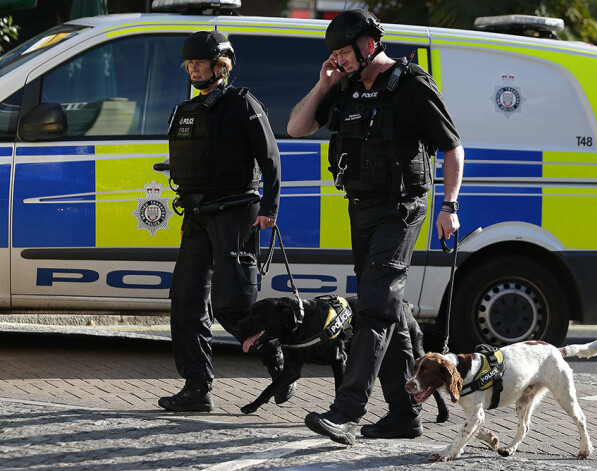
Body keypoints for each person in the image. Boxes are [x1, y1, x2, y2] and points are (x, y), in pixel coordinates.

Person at [287, 10, 464, 444]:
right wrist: (324, 82)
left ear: (369, 45)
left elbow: (453, 148)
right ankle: (404, 415)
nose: (341, 60)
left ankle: (346, 412)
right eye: (335, 55)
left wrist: (449, 205)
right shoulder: (344, 87)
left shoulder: (411, 85)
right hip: (362, 208)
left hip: (402, 208)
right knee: (393, 314)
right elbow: (296, 128)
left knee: (373, 309)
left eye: (345, 52)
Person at [158, 30, 294, 412]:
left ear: (221, 66)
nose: (194, 68)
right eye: (190, 63)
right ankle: (197, 387)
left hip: (236, 213)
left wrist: (270, 208)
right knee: (185, 300)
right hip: (198, 214)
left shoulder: (242, 102)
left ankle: (275, 359)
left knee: (231, 305)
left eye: (200, 62)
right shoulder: (188, 108)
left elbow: (271, 158)